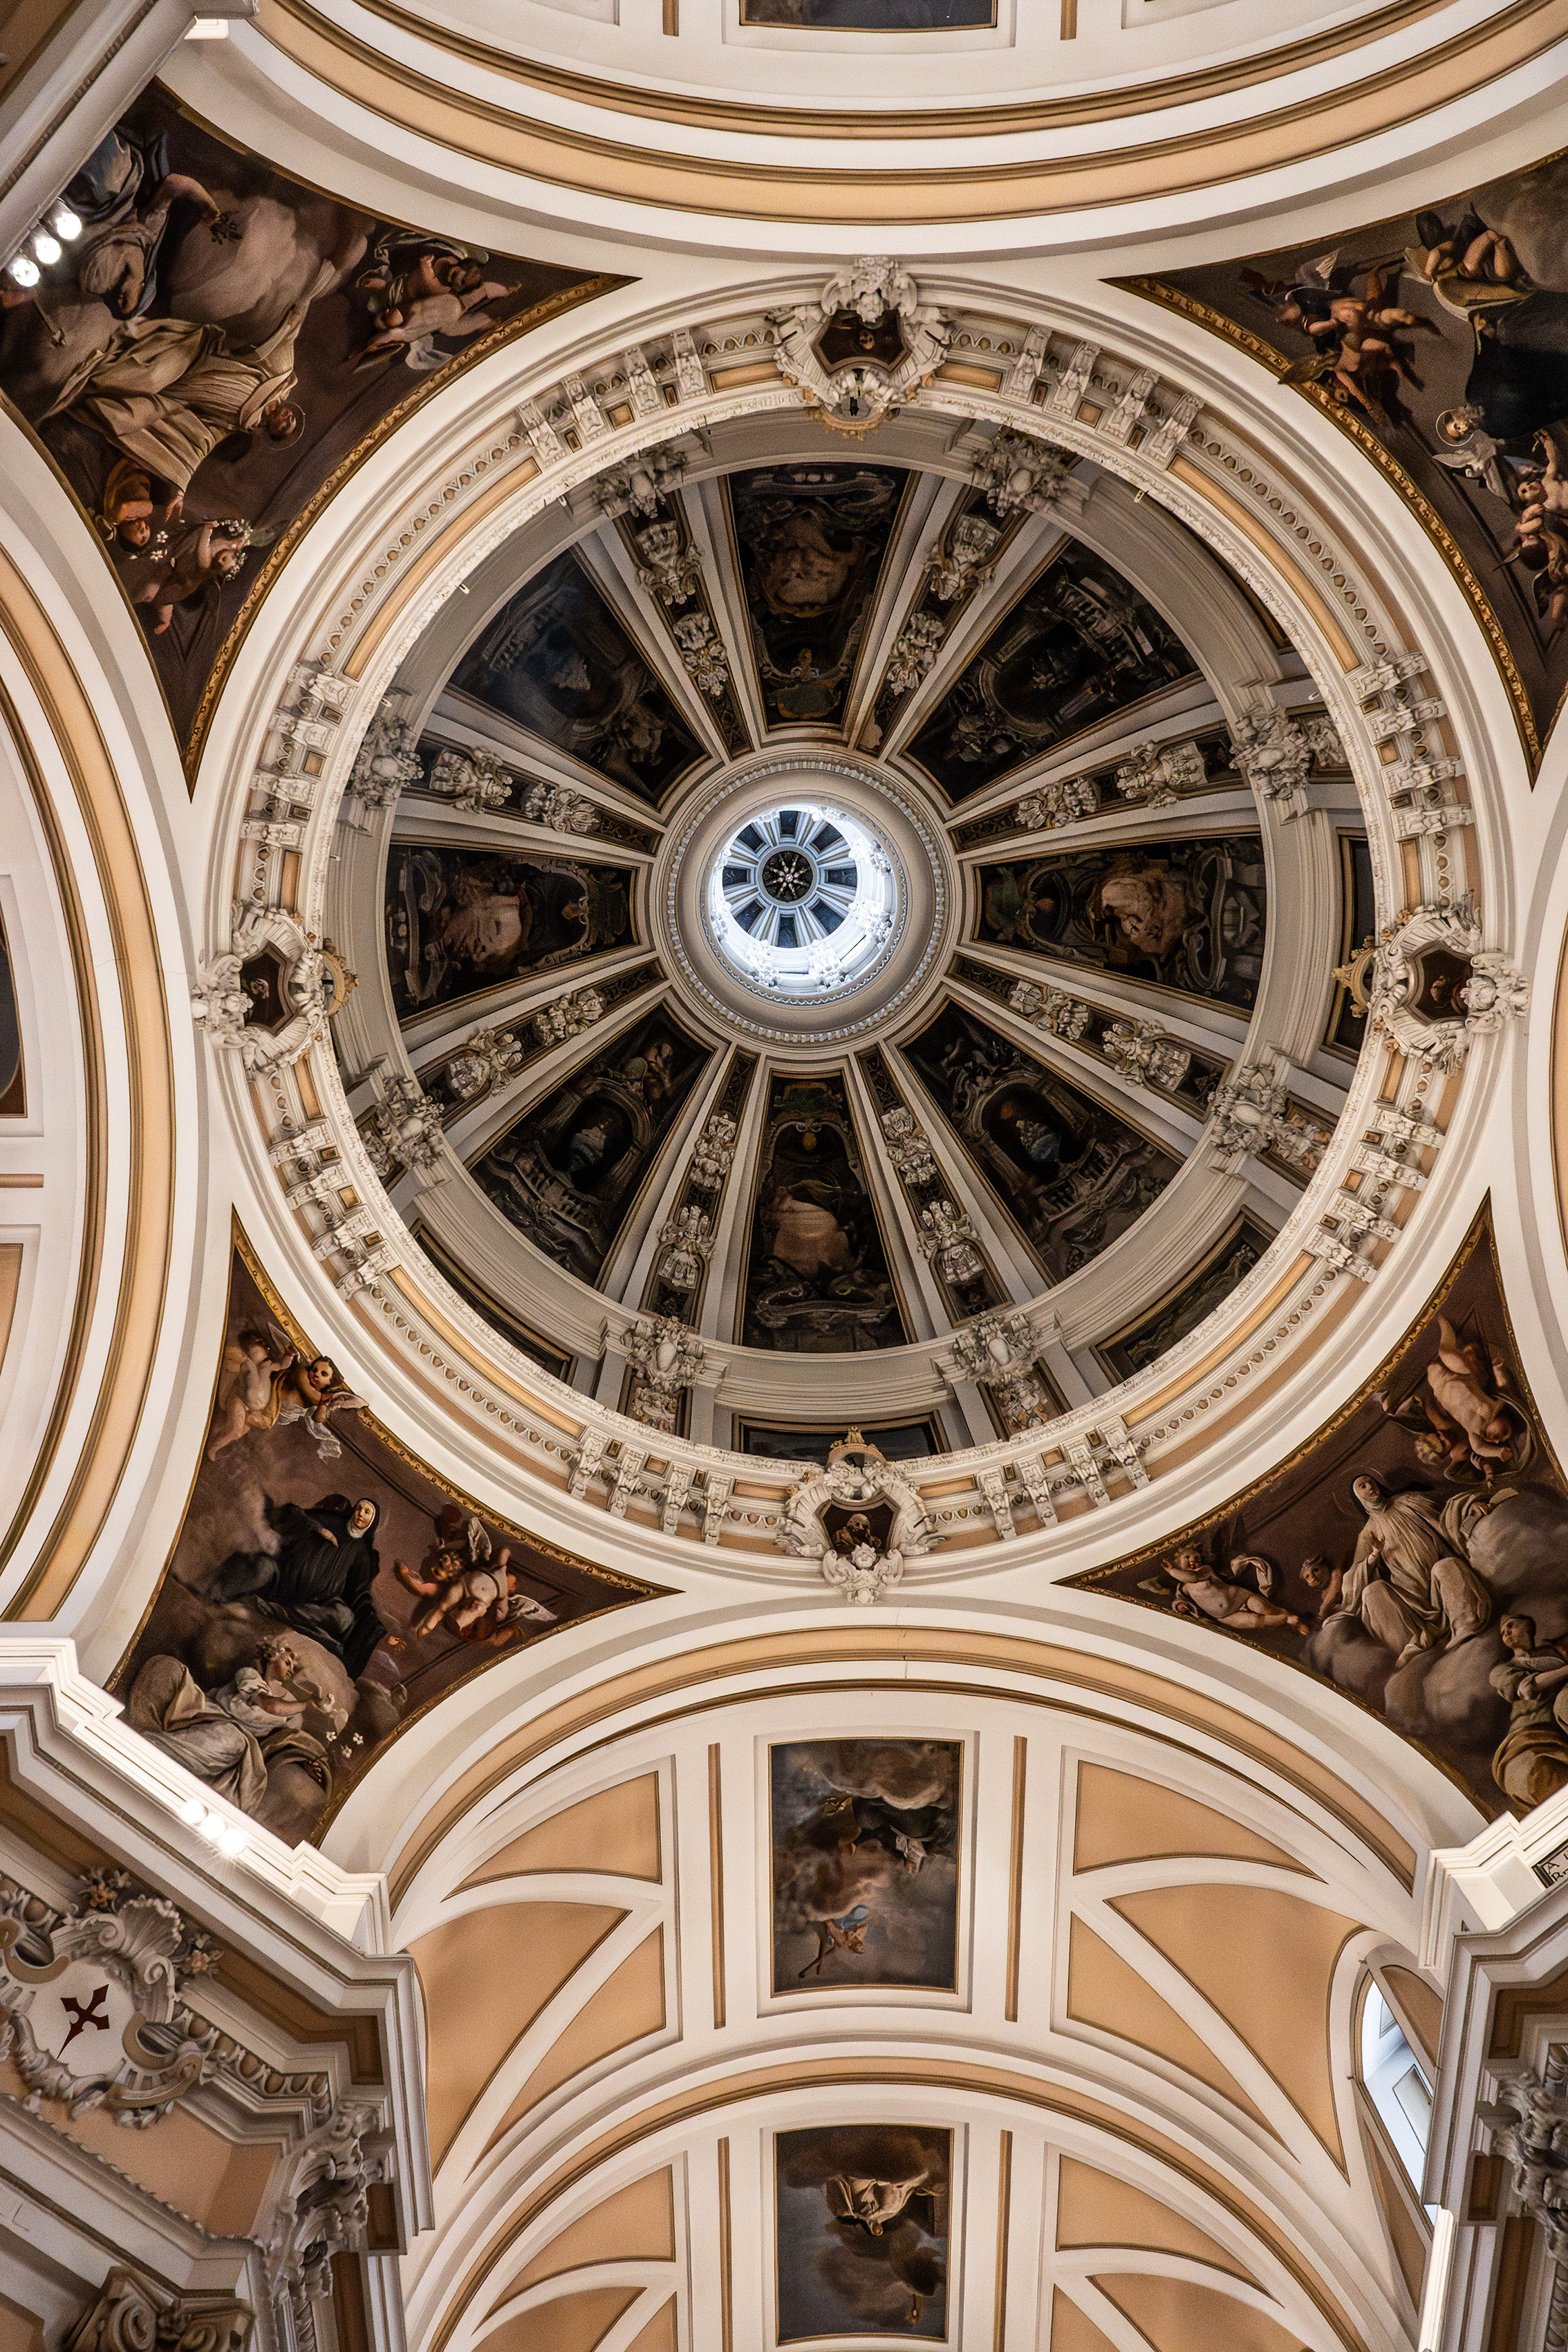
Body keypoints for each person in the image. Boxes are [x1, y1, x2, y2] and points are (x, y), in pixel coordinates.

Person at [41, 256, 333, 505]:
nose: (284, 420)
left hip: (173, 397)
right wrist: (308, 295)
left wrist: (180, 486)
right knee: (150, 376)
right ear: (291, 410)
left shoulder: (239, 424)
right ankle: (97, 364)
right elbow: (287, 335)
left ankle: (80, 394)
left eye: (283, 428)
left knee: (125, 420)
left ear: (272, 431)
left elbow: (201, 444)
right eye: (290, 419)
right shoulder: (280, 374)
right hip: (194, 356)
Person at [126, 1634, 332, 1814]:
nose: (290, 1669)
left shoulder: (292, 1707)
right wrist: (306, 1704)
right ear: (272, 1657)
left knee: (236, 1743)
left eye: (293, 1667)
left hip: (245, 1743)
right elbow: (271, 1707)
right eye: (287, 1662)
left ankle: (158, 1757)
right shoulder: (250, 1675)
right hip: (212, 1714)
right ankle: (146, 1745)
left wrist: (305, 1760)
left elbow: (284, 1742)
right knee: (229, 1738)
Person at [209, 1493, 391, 1679]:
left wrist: (377, 1631)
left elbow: (360, 1592)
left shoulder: (364, 1554)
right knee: (261, 1569)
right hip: (282, 1580)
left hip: (315, 1602)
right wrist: (319, 1528)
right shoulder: (330, 1520)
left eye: (367, 1512)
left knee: (343, 1618)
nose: (361, 1513)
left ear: (372, 1521)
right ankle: (214, 1595)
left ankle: (268, 1607)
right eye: (359, 1508)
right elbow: (293, 1513)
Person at [1328, 1474, 1491, 1665]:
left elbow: (1444, 1510)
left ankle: (1466, 1626)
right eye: (1363, 1486)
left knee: (1446, 1566)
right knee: (1372, 1592)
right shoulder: (1367, 1533)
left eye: (1371, 1482)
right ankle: (1409, 1646)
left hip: (1438, 1587)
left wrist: (1468, 1506)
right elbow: (1353, 1578)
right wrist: (1374, 1556)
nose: (1370, 1487)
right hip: (1409, 1600)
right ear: (1359, 1497)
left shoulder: (1407, 1501)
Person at [1491, 1615, 1568, 1809]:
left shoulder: (1555, 1652)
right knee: (1538, 1777)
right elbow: (1528, 1689)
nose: (1506, 1633)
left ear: (1528, 1627)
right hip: (1530, 1735)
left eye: (1511, 1626)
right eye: (1502, 1633)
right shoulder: (1503, 1670)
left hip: (1561, 1723)